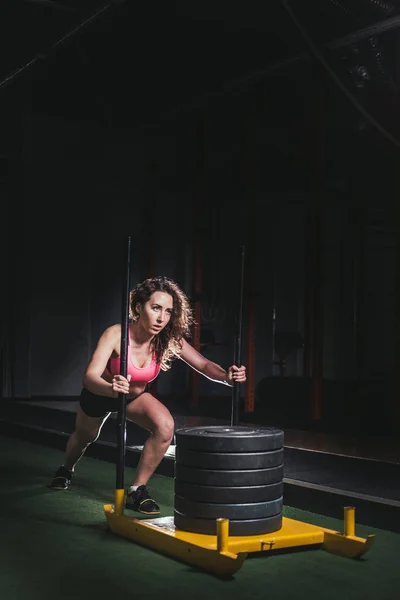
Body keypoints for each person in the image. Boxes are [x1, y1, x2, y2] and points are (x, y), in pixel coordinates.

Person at [49, 275, 246, 515]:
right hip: (100, 393)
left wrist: (226, 377)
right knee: (85, 437)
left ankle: (137, 489)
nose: (162, 317)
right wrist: (110, 388)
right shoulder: (115, 334)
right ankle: (66, 469)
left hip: (132, 397)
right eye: (155, 308)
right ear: (138, 307)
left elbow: (203, 365)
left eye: (168, 311)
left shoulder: (168, 339)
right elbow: (89, 376)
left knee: (165, 426)